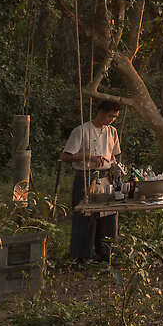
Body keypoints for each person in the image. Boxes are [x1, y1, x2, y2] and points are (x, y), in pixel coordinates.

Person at [61, 100, 123, 262]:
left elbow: (113, 155)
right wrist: (89, 156)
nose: (112, 120)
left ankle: (107, 255)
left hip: (106, 177)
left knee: (109, 216)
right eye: (110, 116)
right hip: (86, 176)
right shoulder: (82, 130)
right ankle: (81, 257)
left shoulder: (112, 131)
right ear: (100, 112)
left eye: (115, 117)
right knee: (85, 216)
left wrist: (115, 169)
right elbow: (65, 156)